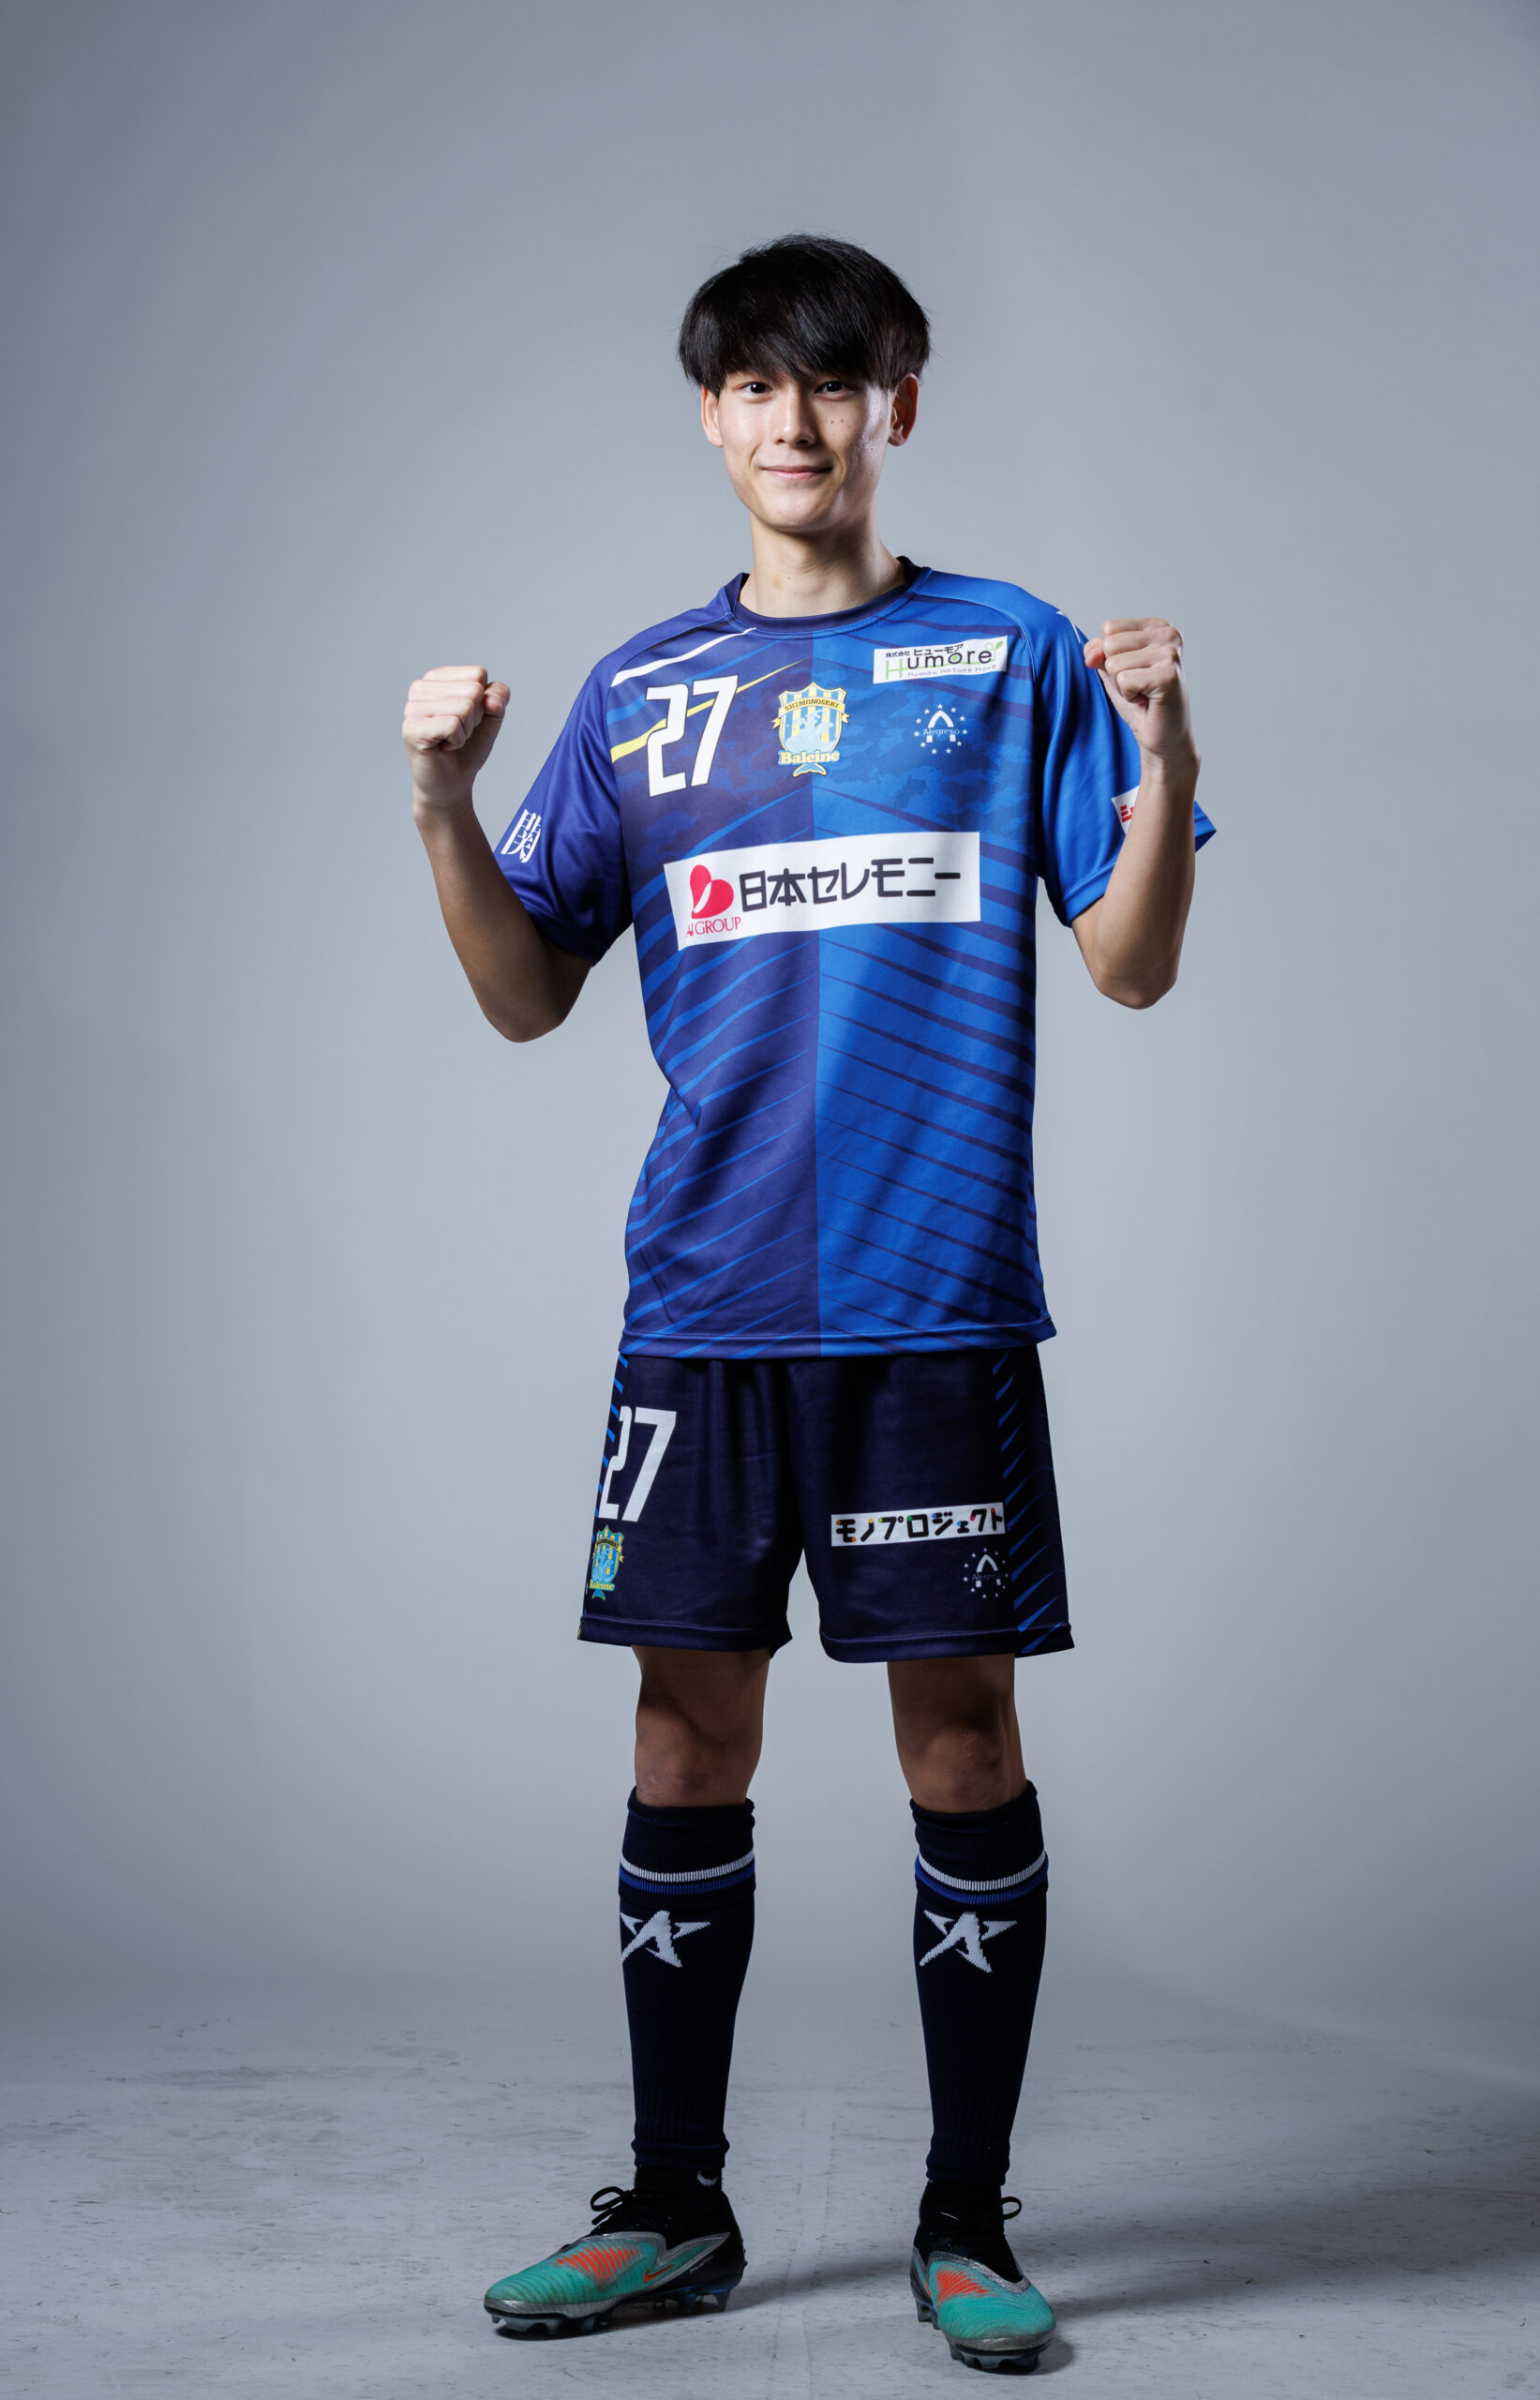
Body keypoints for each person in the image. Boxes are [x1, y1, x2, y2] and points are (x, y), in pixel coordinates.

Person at [402, 233, 1211, 2375]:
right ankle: (674, 2206)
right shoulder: (643, 689)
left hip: (934, 1304)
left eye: (832, 384)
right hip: (706, 1303)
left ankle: (965, 2220)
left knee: (961, 1743)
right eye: (755, 386)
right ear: (709, 418)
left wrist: (1162, 752)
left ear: (896, 408)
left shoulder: (1012, 651)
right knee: (685, 1736)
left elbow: (1130, 963)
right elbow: (522, 995)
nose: (794, 420)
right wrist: (442, 804)